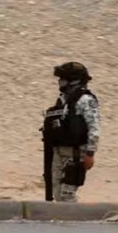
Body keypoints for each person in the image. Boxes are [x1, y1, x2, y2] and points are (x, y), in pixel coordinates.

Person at [42, 62, 101, 202]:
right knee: (57, 192)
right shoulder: (63, 100)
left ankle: (73, 220)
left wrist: (90, 153)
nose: (59, 81)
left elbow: (94, 127)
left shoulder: (85, 100)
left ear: (73, 80)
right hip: (58, 152)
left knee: (66, 194)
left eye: (63, 78)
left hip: (75, 154)